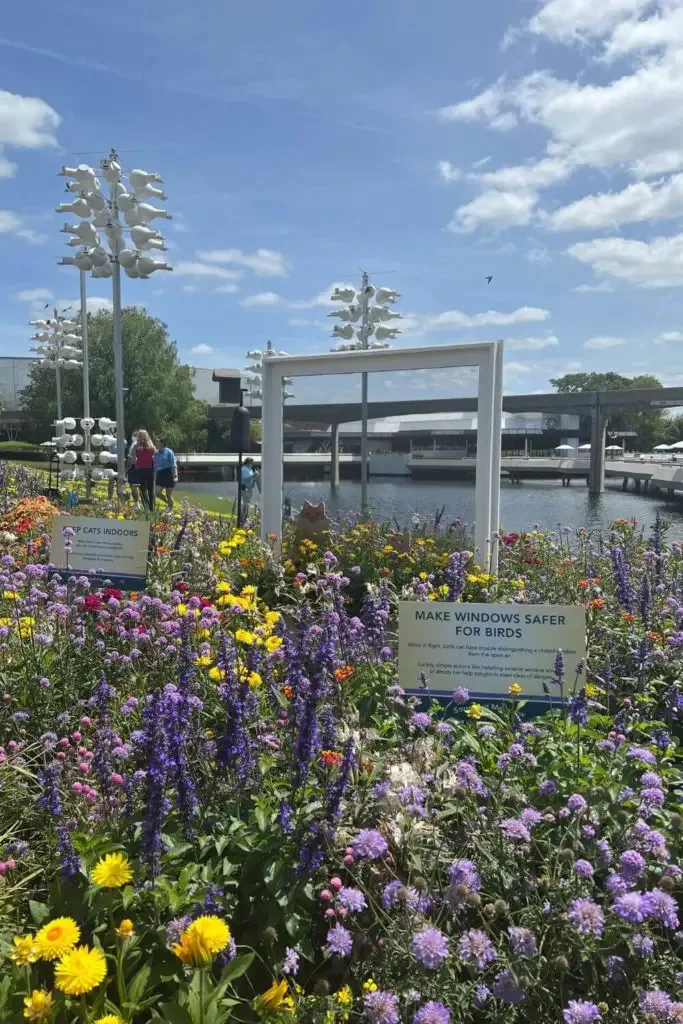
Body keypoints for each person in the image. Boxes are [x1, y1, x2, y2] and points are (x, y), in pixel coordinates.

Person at [134, 429, 156, 511]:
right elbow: (155, 456)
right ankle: (152, 508)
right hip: (150, 469)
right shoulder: (152, 446)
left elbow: (133, 458)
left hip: (140, 469)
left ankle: (146, 508)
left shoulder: (136, 446)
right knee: (151, 489)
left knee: (143, 490)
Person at [154, 436, 178, 510]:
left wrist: (175, 476)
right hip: (160, 474)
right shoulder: (156, 453)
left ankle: (170, 509)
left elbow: (173, 465)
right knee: (157, 492)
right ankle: (168, 503)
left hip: (169, 473)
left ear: (162, 443)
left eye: (157, 442)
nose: (155, 443)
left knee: (168, 494)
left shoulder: (169, 452)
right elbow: (155, 466)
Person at [239, 457, 260, 522]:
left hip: (250, 488)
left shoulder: (250, 470)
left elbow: (251, 480)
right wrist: (253, 475)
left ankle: (245, 517)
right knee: (245, 503)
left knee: (247, 503)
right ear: (248, 463)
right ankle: (242, 517)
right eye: (251, 463)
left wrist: (255, 478)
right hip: (245, 488)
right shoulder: (244, 469)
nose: (252, 464)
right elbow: (245, 479)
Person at [125, 431, 141, 504]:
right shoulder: (147, 444)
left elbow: (130, 458)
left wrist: (126, 470)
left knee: (133, 485)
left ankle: (137, 503)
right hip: (143, 467)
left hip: (134, 467)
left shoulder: (134, 444)